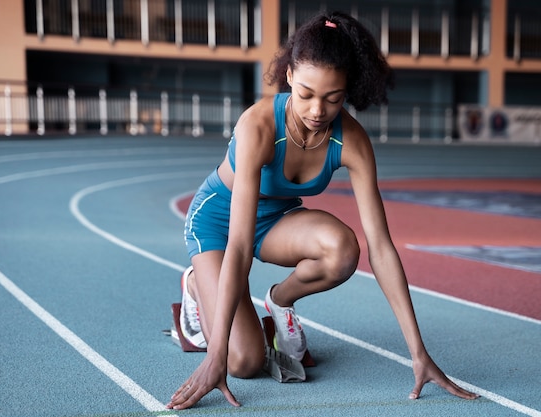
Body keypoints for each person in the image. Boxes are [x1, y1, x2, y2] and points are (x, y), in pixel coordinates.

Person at [167, 10, 478, 410]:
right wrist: (215, 358)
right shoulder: (258, 126)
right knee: (243, 361)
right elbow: (239, 245)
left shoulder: (353, 141)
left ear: (347, 90)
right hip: (219, 222)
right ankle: (196, 285)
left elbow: (380, 248)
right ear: (290, 76)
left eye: (333, 98)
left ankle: (278, 301)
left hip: (275, 220)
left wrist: (418, 351)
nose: (317, 110)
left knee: (343, 249)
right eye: (307, 95)